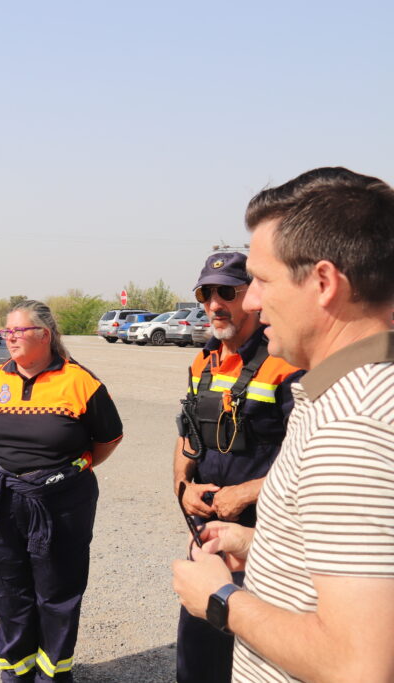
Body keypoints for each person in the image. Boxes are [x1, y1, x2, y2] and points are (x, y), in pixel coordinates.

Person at [172, 167, 394, 681]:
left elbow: (359, 665)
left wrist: (221, 600)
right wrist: (258, 545)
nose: (250, 300)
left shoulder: (351, 427)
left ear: (323, 283)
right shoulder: (351, 394)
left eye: (261, 281)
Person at [0, 299, 123, 682]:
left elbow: (107, 439)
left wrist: (61, 475)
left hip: (61, 504)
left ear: (45, 334)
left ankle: (52, 674)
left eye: (18, 330)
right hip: (3, 501)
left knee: (56, 594)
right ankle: (16, 673)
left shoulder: (79, 381)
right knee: (8, 591)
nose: (10, 338)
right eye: (7, 331)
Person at [172, 252, 302, 683]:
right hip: (208, 536)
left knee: (257, 654)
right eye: (206, 293)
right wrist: (183, 486)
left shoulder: (284, 363)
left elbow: (306, 459)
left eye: (227, 291)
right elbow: (188, 435)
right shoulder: (202, 362)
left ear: (253, 298)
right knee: (198, 655)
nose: (214, 303)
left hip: (264, 540)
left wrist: (245, 493)